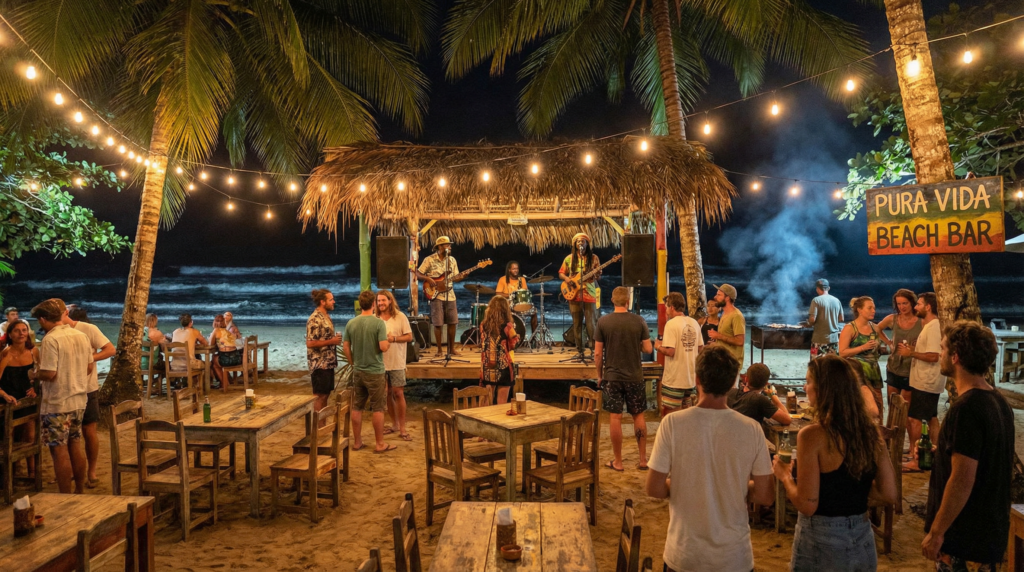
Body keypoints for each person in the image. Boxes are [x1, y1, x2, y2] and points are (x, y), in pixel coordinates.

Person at [646, 345, 774, 572]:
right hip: (734, 557)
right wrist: (735, 487)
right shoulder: (751, 429)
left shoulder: (673, 424)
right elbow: (765, 495)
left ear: (697, 379)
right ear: (734, 381)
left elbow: (654, 489)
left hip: (684, 554)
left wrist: (685, 485)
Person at [773, 355, 897, 572]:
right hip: (862, 535)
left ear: (823, 389)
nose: (805, 386)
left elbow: (808, 505)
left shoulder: (812, 436)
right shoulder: (870, 434)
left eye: (809, 381)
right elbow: (889, 494)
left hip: (822, 539)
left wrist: (784, 476)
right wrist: (852, 494)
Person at [923, 320, 1013, 570]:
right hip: (986, 534)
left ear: (955, 357)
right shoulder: (997, 401)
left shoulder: (966, 410)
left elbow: (962, 479)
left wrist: (937, 531)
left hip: (964, 537)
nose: (939, 355)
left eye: (942, 349)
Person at [31, 299, 92, 494]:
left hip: (57, 403)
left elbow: (49, 373)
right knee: (75, 444)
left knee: (58, 451)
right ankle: (80, 490)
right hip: (79, 400)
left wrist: (33, 374)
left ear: (43, 319)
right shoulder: (80, 335)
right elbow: (90, 366)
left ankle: (65, 495)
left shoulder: (50, 339)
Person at [595, 286, 651, 471]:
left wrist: (599, 375)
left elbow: (597, 354)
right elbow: (649, 349)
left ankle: (618, 461)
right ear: (628, 302)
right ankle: (643, 460)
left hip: (612, 376)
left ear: (612, 300)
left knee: (615, 417)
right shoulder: (639, 321)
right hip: (635, 375)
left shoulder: (603, 322)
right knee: (638, 415)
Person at [62, 304, 114, 488]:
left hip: (87, 388)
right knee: (67, 434)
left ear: (65, 312)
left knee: (89, 431)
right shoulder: (55, 332)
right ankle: (71, 471)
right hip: (65, 390)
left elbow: (110, 349)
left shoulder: (88, 329)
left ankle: (91, 471)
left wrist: (90, 358)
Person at [344, 290, 393, 453]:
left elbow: (345, 346)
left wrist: (353, 362)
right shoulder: (378, 323)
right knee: (378, 408)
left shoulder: (351, 323)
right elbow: (383, 347)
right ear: (373, 304)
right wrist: (390, 340)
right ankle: (379, 443)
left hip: (358, 370)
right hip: (375, 371)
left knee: (357, 406)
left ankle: (357, 442)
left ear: (360, 305)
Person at [903, 292, 943, 473]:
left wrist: (911, 353)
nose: (915, 307)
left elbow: (934, 356)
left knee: (915, 419)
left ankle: (917, 460)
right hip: (927, 382)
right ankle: (934, 455)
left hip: (926, 382)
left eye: (919, 304)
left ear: (928, 307)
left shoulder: (934, 327)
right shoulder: (930, 325)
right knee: (932, 418)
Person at [0, 320, 40, 478]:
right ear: (10, 334)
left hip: (27, 399)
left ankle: (32, 473)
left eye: (24, 330)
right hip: (9, 400)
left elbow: (39, 374)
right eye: (17, 331)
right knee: (11, 436)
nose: (21, 333)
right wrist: (3, 395)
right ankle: (11, 474)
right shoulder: (5, 353)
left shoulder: (33, 351)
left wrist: (35, 389)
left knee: (30, 437)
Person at [655, 292, 703, 415]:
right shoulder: (694, 323)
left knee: (672, 415)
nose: (665, 310)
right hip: (690, 379)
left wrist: (658, 347)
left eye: (666, 307)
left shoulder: (671, 324)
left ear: (671, 307)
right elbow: (701, 349)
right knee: (686, 414)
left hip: (674, 379)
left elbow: (670, 352)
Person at [838, 296, 885, 419]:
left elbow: (881, 348)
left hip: (874, 370)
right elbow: (842, 353)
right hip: (857, 373)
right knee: (859, 404)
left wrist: (882, 348)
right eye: (869, 308)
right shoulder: (850, 328)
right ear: (859, 310)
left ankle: (879, 431)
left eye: (874, 308)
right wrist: (863, 347)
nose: (873, 311)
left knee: (878, 402)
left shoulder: (875, 328)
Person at [375, 290, 413, 441]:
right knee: (387, 394)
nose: (381, 303)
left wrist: (394, 338)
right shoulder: (375, 318)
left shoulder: (400, 316)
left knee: (398, 393)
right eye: (378, 301)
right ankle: (394, 424)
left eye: (383, 300)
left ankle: (403, 428)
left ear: (390, 301)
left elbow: (409, 337)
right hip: (380, 362)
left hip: (397, 361)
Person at [416, 236, 462, 357]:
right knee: (438, 323)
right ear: (440, 247)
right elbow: (418, 273)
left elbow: (456, 277)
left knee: (453, 322)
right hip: (436, 295)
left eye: (450, 245)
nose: (449, 247)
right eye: (447, 245)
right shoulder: (429, 259)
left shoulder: (452, 260)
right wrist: (428, 279)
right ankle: (439, 350)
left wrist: (463, 276)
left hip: (450, 295)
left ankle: (451, 349)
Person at [877, 289, 921, 404]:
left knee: (906, 408)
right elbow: (876, 329)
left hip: (912, 368)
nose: (902, 307)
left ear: (912, 302)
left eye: (905, 303)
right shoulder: (893, 318)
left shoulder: (921, 321)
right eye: (899, 304)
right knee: (893, 404)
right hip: (894, 367)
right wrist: (888, 342)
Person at [559, 233, 601, 351]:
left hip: (590, 293)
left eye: (583, 241)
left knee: (591, 323)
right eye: (578, 241)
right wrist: (568, 279)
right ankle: (580, 349)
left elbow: (598, 278)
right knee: (577, 323)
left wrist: (597, 275)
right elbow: (561, 273)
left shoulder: (594, 258)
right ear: (575, 244)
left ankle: (593, 349)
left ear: (587, 243)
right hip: (574, 294)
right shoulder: (569, 258)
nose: (580, 243)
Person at [306, 289, 342, 412]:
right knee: (319, 396)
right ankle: (317, 427)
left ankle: (322, 426)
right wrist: (331, 341)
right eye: (331, 299)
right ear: (322, 302)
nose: (334, 302)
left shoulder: (326, 316)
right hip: (319, 364)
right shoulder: (315, 319)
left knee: (325, 395)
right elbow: (310, 343)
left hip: (328, 363)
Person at [479, 296, 519, 405]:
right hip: (503, 366)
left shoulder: (483, 325)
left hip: (488, 366)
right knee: (502, 403)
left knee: (487, 399)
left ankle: (484, 420)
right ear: (505, 309)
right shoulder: (508, 327)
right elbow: (512, 345)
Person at [727, 363, 791, 426]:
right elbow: (787, 419)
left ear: (746, 379)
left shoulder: (730, 392)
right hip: (748, 436)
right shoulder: (759, 399)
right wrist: (773, 395)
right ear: (766, 384)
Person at [707, 284, 745, 365]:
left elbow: (740, 341)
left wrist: (719, 336)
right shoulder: (724, 313)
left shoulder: (736, 316)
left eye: (719, 295)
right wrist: (716, 344)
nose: (715, 297)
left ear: (727, 298)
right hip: (724, 362)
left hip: (732, 365)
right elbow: (727, 336)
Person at [496, 261, 537, 333]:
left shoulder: (522, 279)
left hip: (520, 305)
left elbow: (524, 293)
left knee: (534, 312)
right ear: (509, 270)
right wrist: (511, 295)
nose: (516, 270)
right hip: (507, 305)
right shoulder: (502, 279)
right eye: (513, 269)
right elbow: (498, 294)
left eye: (517, 269)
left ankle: (534, 337)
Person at [808, 278, 844, 358]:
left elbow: (812, 320)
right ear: (828, 288)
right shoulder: (836, 300)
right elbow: (841, 319)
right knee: (833, 364)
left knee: (816, 364)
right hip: (834, 340)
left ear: (817, 289)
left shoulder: (816, 300)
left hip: (819, 339)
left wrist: (808, 323)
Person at [209, 314, 241, 390]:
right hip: (237, 358)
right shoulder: (227, 331)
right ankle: (226, 381)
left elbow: (210, 344)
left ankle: (224, 384)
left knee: (214, 363)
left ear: (215, 322)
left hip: (227, 359)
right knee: (216, 358)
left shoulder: (216, 330)